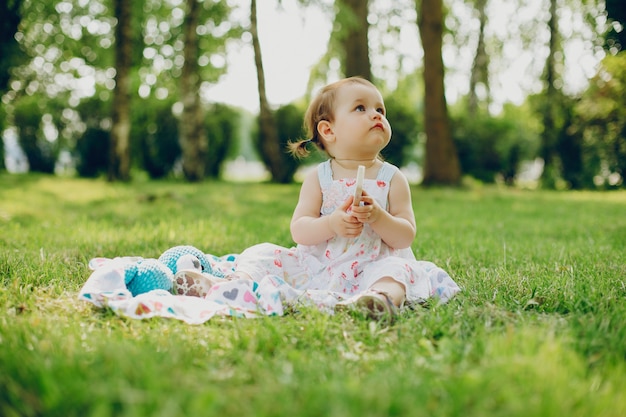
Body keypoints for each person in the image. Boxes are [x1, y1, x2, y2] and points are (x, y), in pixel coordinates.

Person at [218, 76, 459, 320]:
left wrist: (378, 217)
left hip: (372, 267)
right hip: (318, 267)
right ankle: (235, 284)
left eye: (380, 109)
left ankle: (378, 299)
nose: (376, 115)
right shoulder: (319, 178)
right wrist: (331, 223)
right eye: (360, 108)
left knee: (398, 271)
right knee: (262, 253)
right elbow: (299, 230)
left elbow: (405, 236)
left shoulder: (392, 179)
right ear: (328, 130)